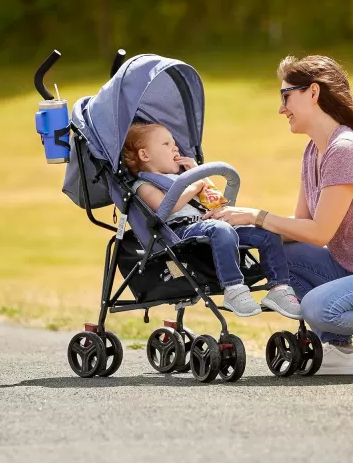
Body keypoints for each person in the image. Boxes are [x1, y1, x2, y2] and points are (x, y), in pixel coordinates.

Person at [203, 55, 353, 379]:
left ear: (313, 93)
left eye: (285, 96)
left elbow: (320, 233)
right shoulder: (313, 151)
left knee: (318, 307)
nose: (281, 108)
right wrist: (239, 228)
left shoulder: (345, 149)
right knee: (280, 254)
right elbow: (299, 228)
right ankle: (339, 349)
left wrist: (257, 215)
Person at [121, 122, 301, 320]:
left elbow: (213, 198)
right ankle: (233, 288)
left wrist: (197, 173)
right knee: (220, 229)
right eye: (166, 144)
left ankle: (280, 287)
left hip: (210, 224)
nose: (175, 148)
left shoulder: (183, 176)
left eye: (174, 143)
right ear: (145, 155)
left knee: (267, 232)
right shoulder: (144, 185)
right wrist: (194, 184)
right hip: (180, 231)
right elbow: (165, 207)